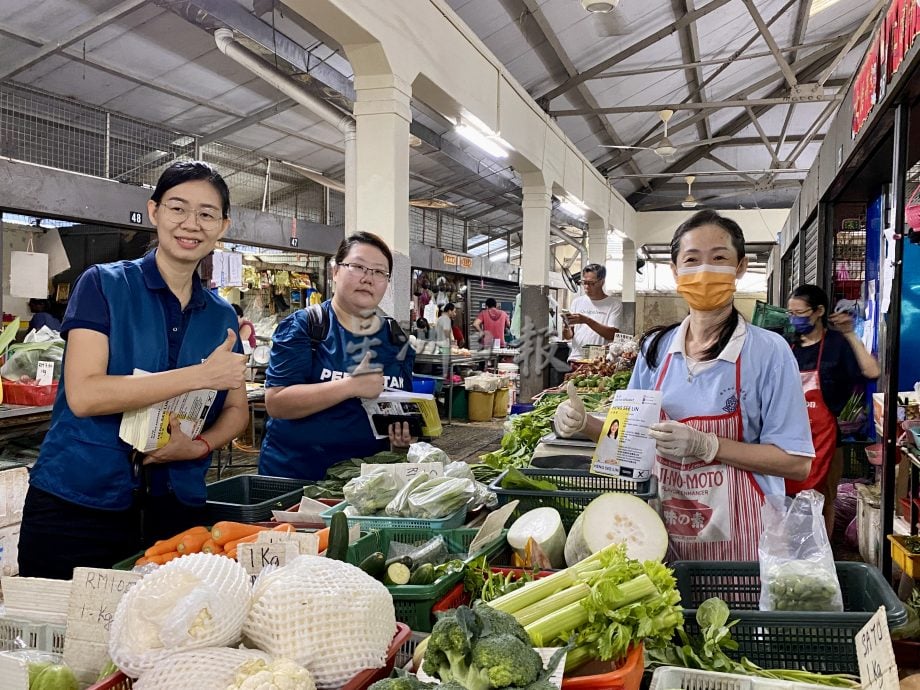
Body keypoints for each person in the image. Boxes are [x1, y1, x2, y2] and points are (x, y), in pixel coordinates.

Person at [18, 161, 249, 579]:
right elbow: (86, 395)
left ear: (223, 226)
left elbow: (237, 410)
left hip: (174, 507)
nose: (191, 224)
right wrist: (200, 376)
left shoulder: (222, 316)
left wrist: (198, 447)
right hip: (77, 502)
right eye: (177, 208)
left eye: (207, 214)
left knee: (158, 631)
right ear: (154, 211)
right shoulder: (104, 285)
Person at [553, 210, 815, 561]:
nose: (704, 271)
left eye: (719, 258)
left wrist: (707, 444)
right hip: (664, 534)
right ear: (676, 271)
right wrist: (585, 425)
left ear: (740, 267)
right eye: (691, 259)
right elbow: (629, 444)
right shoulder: (655, 350)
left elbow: (797, 463)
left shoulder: (768, 352)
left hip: (745, 544)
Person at [258, 232, 416, 480]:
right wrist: (351, 386)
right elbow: (277, 403)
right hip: (296, 477)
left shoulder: (396, 338)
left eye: (379, 272)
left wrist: (402, 441)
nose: (368, 278)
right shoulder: (306, 327)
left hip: (367, 481)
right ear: (335, 271)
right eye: (358, 267)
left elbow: (398, 410)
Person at [786, 284, 880, 534]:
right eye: (790, 313)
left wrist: (849, 333)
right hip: (788, 437)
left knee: (825, 497)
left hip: (826, 438)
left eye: (800, 313)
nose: (794, 318)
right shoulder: (786, 346)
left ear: (818, 311)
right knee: (787, 497)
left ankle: (824, 553)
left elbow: (872, 371)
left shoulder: (837, 344)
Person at [563, 263, 623, 362]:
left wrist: (586, 320)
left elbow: (612, 335)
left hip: (599, 360)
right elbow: (568, 336)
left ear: (602, 282)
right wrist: (566, 326)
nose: (586, 286)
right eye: (584, 282)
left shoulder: (614, 304)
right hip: (576, 358)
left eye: (591, 283)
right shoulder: (577, 302)